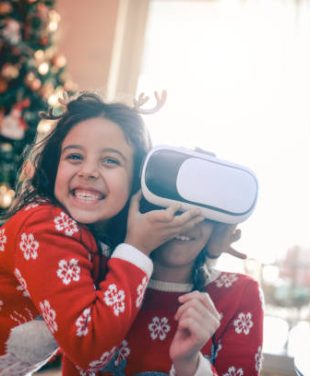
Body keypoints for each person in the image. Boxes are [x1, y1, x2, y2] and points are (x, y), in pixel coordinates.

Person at [0, 92, 204, 375]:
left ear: (136, 179)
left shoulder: (92, 237)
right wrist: (137, 248)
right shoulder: (44, 226)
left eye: (110, 161)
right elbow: (89, 348)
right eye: (74, 156)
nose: (88, 171)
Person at [97, 220, 264, 375]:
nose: (186, 222)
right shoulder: (97, 274)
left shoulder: (240, 293)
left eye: (202, 212)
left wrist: (191, 364)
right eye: (171, 204)